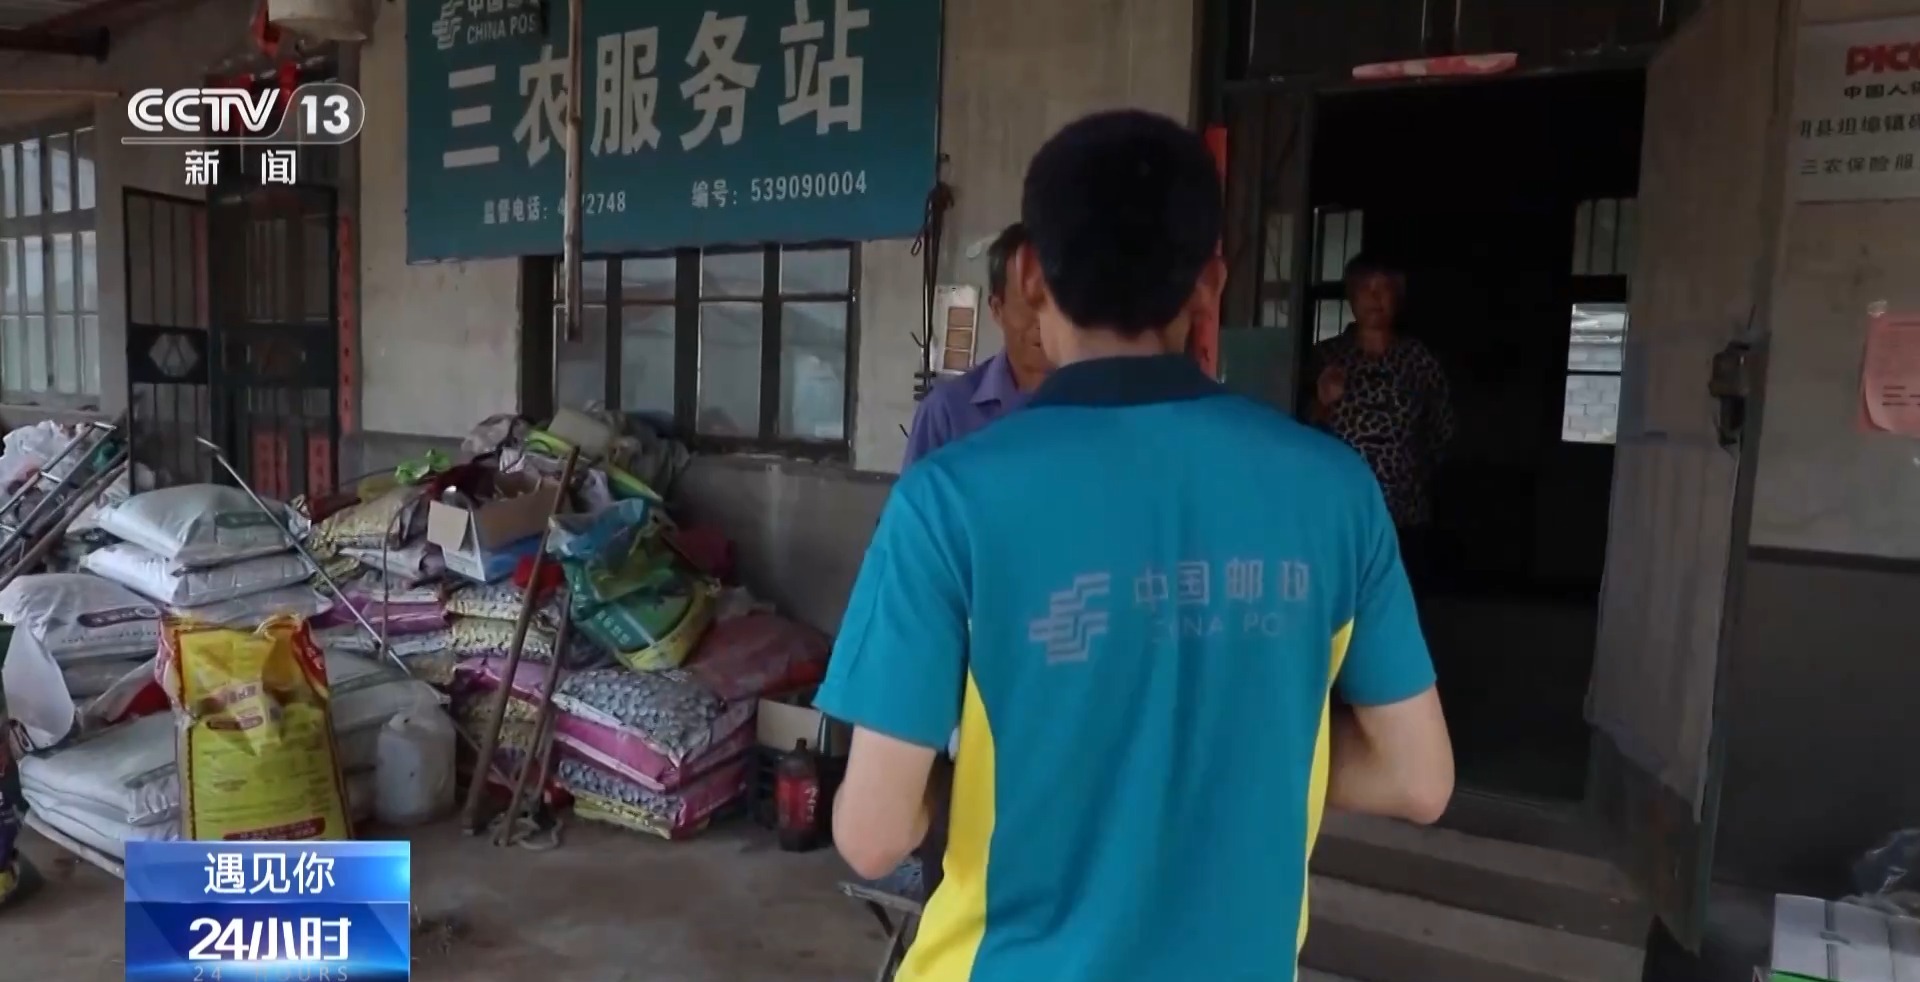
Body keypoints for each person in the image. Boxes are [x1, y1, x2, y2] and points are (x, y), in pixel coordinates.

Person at [816, 110, 1454, 982]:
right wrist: (1228, 746)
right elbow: (1420, 780)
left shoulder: (950, 499)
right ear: (1210, 285)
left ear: (1031, 275)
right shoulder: (1334, 491)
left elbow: (872, 834)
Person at [1310, 255, 1456, 579]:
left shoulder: (1418, 359)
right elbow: (1301, 434)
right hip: (1341, 510)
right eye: (1365, 288)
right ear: (1351, 296)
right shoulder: (1326, 356)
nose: (1375, 298)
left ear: (1398, 296)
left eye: (1384, 289)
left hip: (1404, 513)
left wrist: (1412, 475)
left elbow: (1442, 430)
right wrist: (1322, 402)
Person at [902, 222, 1051, 468]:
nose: (1043, 321)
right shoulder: (947, 413)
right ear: (997, 310)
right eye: (1029, 304)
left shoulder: (1097, 407)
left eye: (1055, 304)